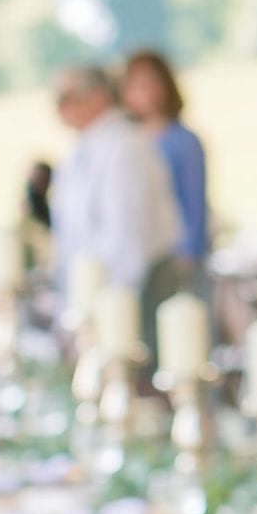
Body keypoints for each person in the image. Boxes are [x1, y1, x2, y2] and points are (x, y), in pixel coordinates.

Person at [50, 66, 184, 353]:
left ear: (98, 97)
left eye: (67, 96)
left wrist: (105, 313)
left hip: (132, 296)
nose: (59, 107)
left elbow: (127, 241)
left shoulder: (125, 147)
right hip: (95, 296)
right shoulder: (82, 150)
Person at [120, 50, 210, 286]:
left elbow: (193, 202)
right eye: (137, 85)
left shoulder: (183, 141)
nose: (144, 92)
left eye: (151, 83)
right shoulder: (124, 142)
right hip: (138, 254)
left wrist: (188, 253)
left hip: (172, 252)